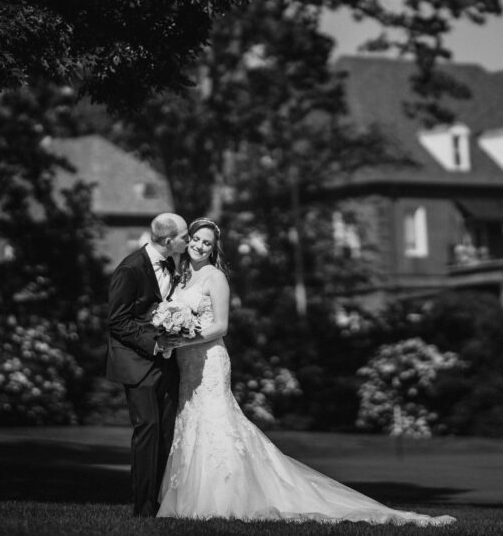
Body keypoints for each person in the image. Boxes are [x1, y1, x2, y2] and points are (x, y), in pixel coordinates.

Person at [157, 218, 455, 526]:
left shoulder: (214, 277)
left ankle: (222, 497)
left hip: (210, 361)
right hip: (186, 364)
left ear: (214, 248)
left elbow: (221, 326)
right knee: (191, 421)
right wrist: (170, 332)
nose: (200, 246)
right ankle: (190, 499)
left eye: (207, 243)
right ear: (187, 239)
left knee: (215, 423)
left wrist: (184, 336)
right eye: (196, 239)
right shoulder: (180, 279)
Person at [105, 212, 189, 517]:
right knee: (148, 430)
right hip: (137, 363)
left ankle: (161, 502)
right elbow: (117, 321)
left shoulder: (176, 263)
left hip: (166, 363)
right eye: (184, 236)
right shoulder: (130, 268)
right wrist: (153, 343)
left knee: (167, 432)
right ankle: (142, 508)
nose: (188, 240)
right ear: (169, 241)